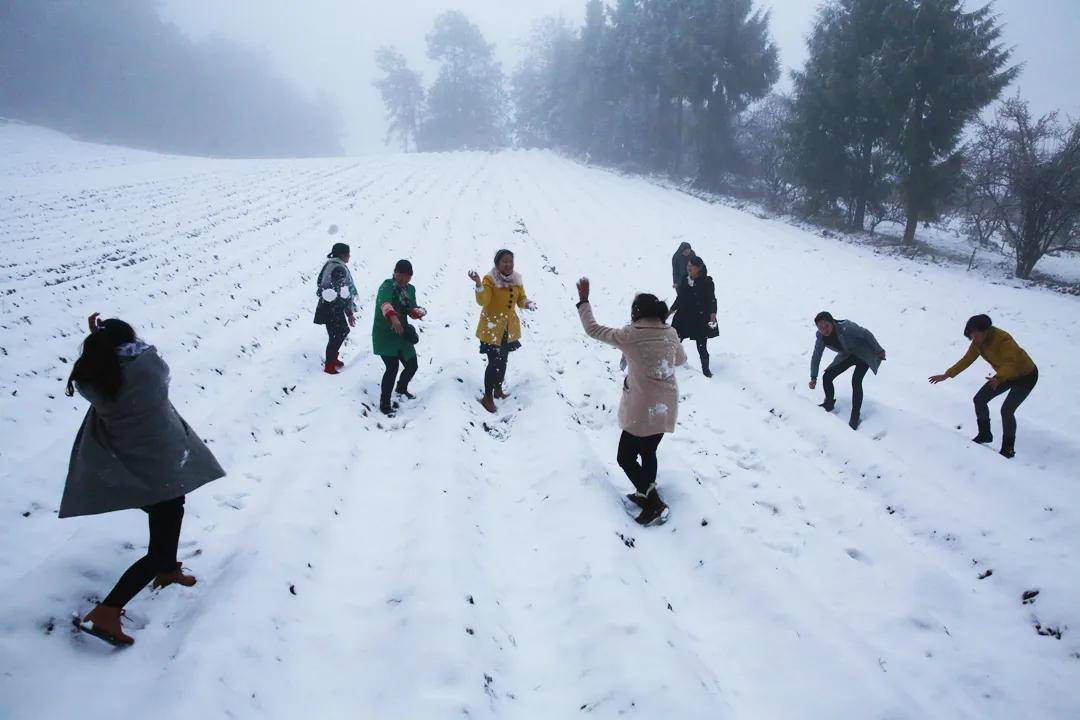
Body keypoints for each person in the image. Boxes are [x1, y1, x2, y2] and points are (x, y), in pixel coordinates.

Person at [62, 314, 225, 646]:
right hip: (161, 460)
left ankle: (167, 569)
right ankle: (108, 611)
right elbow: (153, 358)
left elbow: (101, 357)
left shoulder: (94, 379)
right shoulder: (147, 369)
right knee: (161, 535)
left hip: (133, 463)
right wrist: (110, 337)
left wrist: (99, 338)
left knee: (173, 507)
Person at [576, 278, 686, 526]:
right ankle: (644, 492)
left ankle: (653, 503)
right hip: (666, 406)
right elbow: (679, 359)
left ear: (637, 313)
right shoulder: (670, 333)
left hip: (641, 409)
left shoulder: (630, 335)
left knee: (625, 457)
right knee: (649, 452)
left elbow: (593, 329)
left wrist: (584, 300)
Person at [929, 314, 1038, 459]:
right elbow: (966, 360)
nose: (974, 339)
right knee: (979, 400)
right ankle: (985, 434)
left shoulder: (1004, 339)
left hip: (1025, 375)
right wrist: (946, 375)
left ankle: (1008, 449)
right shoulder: (977, 343)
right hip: (1002, 376)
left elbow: (1011, 363)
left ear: (985, 330)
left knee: (1007, 410)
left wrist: (998, 378)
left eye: (975, 335)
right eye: (971, 336)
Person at [468, 249, 537, 413]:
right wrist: (478, 284)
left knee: (503, 360)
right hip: (491, 327)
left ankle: (498, 389)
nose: (508, 264)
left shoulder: (516, 279)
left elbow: (520, 298)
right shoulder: (490, 279)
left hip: (508, 327)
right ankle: (488, 396)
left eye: (510, 261)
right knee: (494, 362)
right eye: (504, 261)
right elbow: (483, 300)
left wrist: (527, 303)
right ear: (497, 264)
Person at [809, 311, 886, 431]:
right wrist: (813, 377)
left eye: (826, 326)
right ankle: (829, 403)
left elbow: (866, 334)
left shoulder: (846, 327)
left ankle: (855, 416)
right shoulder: (820, 336)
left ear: (832, 322)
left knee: (856, 381)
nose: (824, 330)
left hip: (864, 353)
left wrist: (879, 350)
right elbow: (816, 355)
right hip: (848, 354)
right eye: (820, 327)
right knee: (827, 376)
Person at [372, 259, 426, 415]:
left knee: (412, 365)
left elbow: (411, 308)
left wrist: (417, 312)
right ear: (394, 272)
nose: (403, 278)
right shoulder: (387, 285)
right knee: (392, 367)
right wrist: (394, 318)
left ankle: (401, 389)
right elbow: (385, 304)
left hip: (401, 333)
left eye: (407, 276)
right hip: (385, 334)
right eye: (400, 274)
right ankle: (384, 403)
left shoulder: (410, 289)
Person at [313, 242, 358, 375]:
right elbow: (343, 292)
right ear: (342, 255)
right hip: (332, 308)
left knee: (337, 334)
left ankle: (332, 359)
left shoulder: (330, 264)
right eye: (348, 254)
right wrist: (349, 312)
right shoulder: (338, 268)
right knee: (338, 334)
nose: (349, 256)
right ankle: (330, 365)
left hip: (327, 307)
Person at [669, 256, 717, 377]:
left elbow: (712, 300)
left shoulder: (707, 282)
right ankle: (669, 364)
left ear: (699, 268)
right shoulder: (685, 279)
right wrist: (670, 311)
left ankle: (706, 371)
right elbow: (680, 298)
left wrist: (712, 316)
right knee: (673, 339)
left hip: (700, 318)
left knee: (701, 346)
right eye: (688, 265)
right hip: (684, 315)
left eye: (692, 266)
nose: (688, 267)